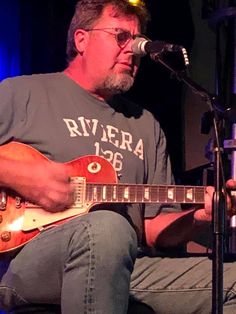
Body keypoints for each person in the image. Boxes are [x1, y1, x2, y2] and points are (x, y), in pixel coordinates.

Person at [0, 0, 236, 313]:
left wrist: (198, 217)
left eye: (138, 43)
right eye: (120, 37)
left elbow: (152, 230)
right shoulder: (22, 93)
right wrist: (22, 176)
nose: (133, 50)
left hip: (124, 265)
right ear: (82, 40)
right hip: (25, 262)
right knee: (107, 227)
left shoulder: (146, 125)